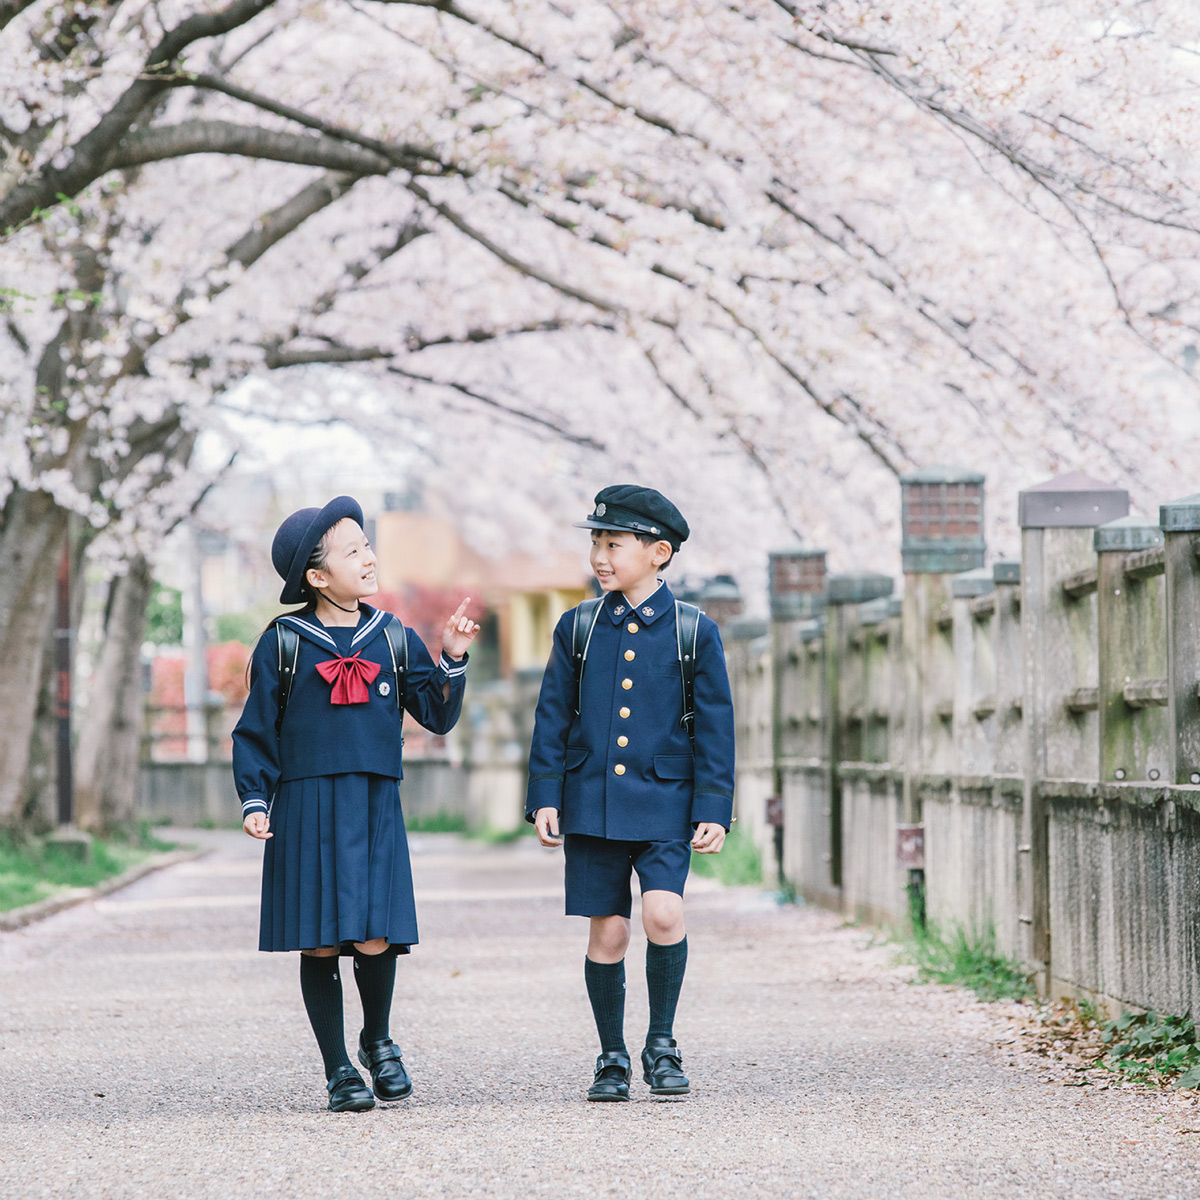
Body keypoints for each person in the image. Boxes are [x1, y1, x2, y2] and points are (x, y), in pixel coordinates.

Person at [233, 496, 478, 1112]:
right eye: (352, 551)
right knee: (318, 939)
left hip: (373, 801)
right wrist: (255, 799)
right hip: (305, 803)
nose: (368, 557)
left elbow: (436, 714)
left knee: (374, 934)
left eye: (366, 545)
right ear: (317, 577)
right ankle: (338, 1068)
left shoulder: (392, 634)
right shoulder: (283, 643)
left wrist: (450, 657)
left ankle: (378, 1038)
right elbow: (255, 729)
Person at [526, 484, 735, 1101]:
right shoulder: (578, 627)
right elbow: (552, 717)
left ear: (659, 552)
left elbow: (717, 729)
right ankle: (612, 1056)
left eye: (613, 544)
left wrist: (714, 807)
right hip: (591, 802)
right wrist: (545, 796)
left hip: (667, 801)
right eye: (595, 541)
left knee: (664, 912)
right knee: (608, 933)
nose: (600, 556)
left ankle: (662, 1044)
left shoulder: (694, 631)